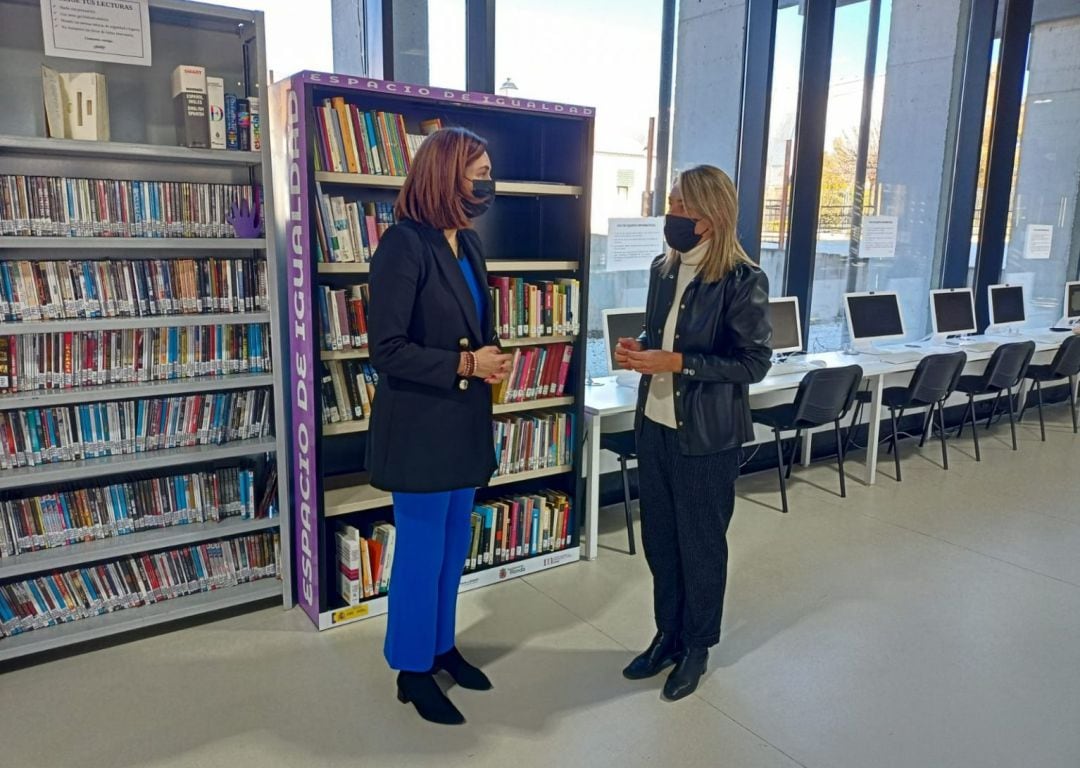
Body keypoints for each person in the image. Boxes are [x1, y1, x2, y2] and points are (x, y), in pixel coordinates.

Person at [367, 127, 512, 725]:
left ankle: (441, 645)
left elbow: (477, 324)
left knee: (453, 548)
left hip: (463, 420)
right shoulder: (404, 245)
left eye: (487, 170)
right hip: (422, 427)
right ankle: (411, 668)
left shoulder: (468, 243)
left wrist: (492, 353)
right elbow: (387, 349)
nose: (486, 182)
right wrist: (466, 364)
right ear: (443, 176)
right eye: (476, 170)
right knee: (423, 551)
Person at [614, 165, 772, 701]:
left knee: (701, 545)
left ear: (707, 220)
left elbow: (753, 364)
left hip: (706, 439)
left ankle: (698, 646)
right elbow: (660, 333)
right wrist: (638, 348)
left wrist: (678, 361)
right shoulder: (664, 269)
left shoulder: (743, 280)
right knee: (661, 542)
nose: (669, 213)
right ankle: (667, 635)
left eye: (679, 205)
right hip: (654, 428)